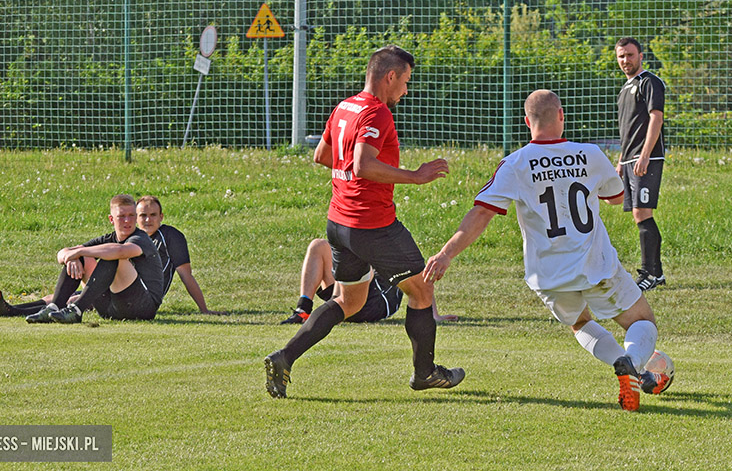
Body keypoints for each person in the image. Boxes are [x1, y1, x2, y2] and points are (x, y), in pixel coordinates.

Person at [423, 90, 671, 411]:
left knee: (580, 324)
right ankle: (634, 363)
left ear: (527, 122)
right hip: (595, 265)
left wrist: (445, 254)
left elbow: (481, 213)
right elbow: (615, 196)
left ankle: (627, 369)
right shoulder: (590, 153)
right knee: (642, 320)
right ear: (561, 115)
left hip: (550, 275)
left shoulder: (515, 163)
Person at [264, 45, 465, 399]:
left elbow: (322, 156)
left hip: (339, 223)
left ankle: (284, 357)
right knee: (422, 292)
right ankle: (425, 374)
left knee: (349, 302)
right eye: (405, 81)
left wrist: (352, 182)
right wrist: (415, 176)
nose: (406, 89)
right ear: (390, 76)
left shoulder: (345, 107)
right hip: (372, 224)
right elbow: (362, 165)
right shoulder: (377, 113)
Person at [0, 195, 225, 317]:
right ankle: (4, 311)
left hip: (142, 299)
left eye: (147, 215)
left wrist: (204, 310)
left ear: (161, 217)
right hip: (118, 291)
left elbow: (184, 274)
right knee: (66, 295)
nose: (142, 220)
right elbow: (65, 253)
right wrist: (72, 256)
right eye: (137, 215)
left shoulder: (162, 237)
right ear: (113, 219)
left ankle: (71, 311)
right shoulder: (119, 235)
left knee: (107, 260)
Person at [25, 193, 164, 323]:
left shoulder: (141, 238)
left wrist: (78, 251)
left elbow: (121, 251)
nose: (127, 221)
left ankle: (77, 310)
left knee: (112, 256)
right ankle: (54, 307)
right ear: (111, 219)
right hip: (109, 309)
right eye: (122, 216)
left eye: (131, 215)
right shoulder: (108, 238)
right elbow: (62, 254)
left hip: (142, 308)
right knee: (83, 257)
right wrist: (74, 257)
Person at [280, 238, 458, 324]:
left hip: (376, 303)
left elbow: (422, 275)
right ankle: (303, 310)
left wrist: (432, 315)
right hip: (347, 295)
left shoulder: (393, 240)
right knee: (318, 245)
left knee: (362, 256)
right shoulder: (355, 230)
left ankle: (336, 307)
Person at [615, 37, 667, 291]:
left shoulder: (650, 82)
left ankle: (651, 273)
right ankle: (654, 272)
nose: (626, 60)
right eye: (621, 56)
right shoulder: (625, 88)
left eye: (630, 55)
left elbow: (656, 117)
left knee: (642, 212)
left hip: (647, 158)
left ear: (641, 56)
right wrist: (621, 160)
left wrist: (645, 154)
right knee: (638, 214)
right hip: (629, 159)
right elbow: (628, 130)